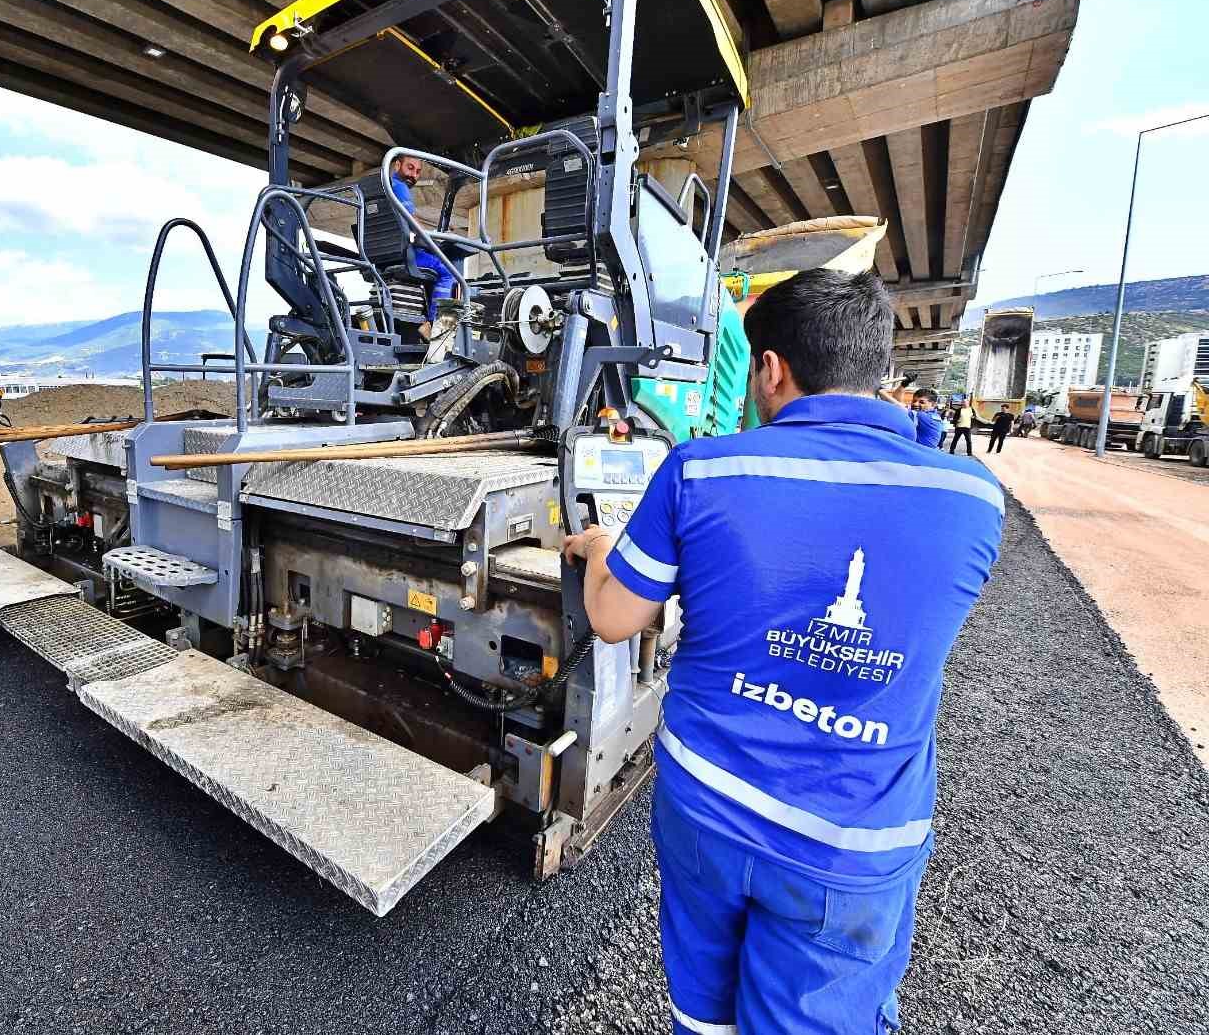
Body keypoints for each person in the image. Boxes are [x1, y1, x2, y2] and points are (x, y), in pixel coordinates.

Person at [561, 268, 1003, 1035]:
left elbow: (613, 616)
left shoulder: (702, 471)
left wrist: (600, 544)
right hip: (854, 844)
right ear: (876, 366)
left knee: (701, 1017)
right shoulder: (973, 499)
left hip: (707, 808)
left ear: (769, 368)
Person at [387, 154, 473, 339]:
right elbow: (413, 225)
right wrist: (435, 236)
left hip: (386, 254)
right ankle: (435, 327)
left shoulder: (383, 189)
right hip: (407, 254)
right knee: (448, 271)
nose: (414, 175)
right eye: (410, 168)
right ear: (396, 165)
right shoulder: (399, 188)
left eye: (418, 171)